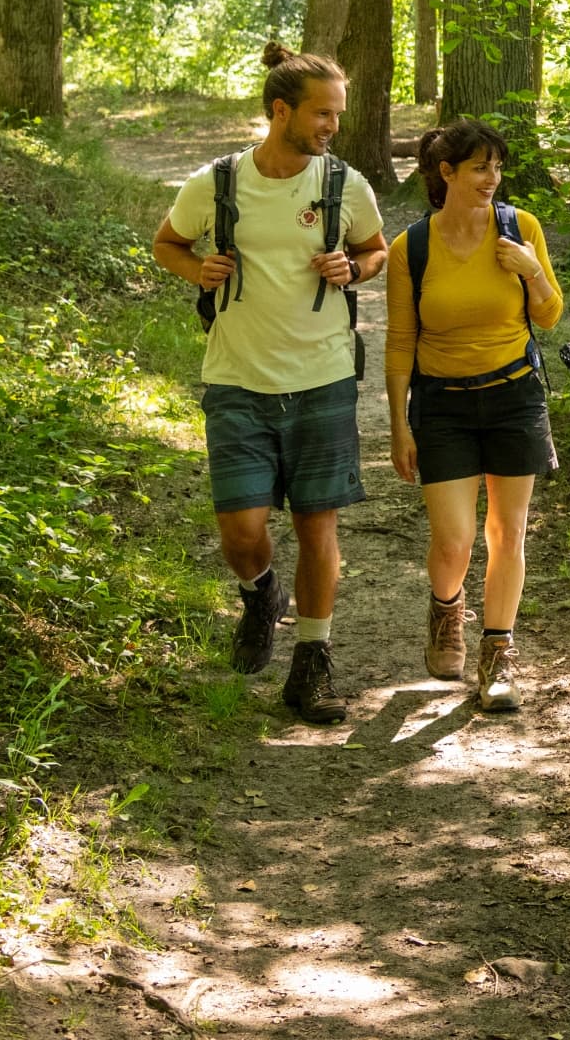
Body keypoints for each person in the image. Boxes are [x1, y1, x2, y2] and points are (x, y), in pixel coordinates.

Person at [152, 43, 387, 725]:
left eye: (337, 115)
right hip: (236, 379)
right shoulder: (217, 184)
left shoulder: (345, 185)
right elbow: (167, 242)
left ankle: (311, 666)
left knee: (319, 527)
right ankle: (260, 594)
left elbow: (377, 249)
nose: (332, 127)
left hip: (324, 379)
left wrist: (357, 269)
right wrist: (195, 270)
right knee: (241, 529)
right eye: (322, 114)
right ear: (280, 110)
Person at [386, 120, 563, 713]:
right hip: (442, 405)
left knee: (508, 532)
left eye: (497, 168)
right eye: (480, 168)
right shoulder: (410, 247)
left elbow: (551, 314)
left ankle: (497, 655)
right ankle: (445, 611)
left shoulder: (521, 229)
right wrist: (398, 425)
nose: (492, 179)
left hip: (514, 397)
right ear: (448, 173)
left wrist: (530, 269)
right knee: (455, 540)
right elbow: (399, 343)